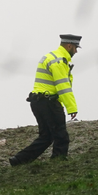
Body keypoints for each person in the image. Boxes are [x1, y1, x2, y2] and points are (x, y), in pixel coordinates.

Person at [9, 34, 81, 165]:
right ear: (69, 45)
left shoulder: (50, 56)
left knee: (46, 136)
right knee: (61, 135)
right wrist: (72, 108)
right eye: (76, 48)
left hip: (37, 101)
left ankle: (19, 160)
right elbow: (63, 85)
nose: (76, 51)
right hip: (49, 102)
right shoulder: (59, 60)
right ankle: (58, 161)